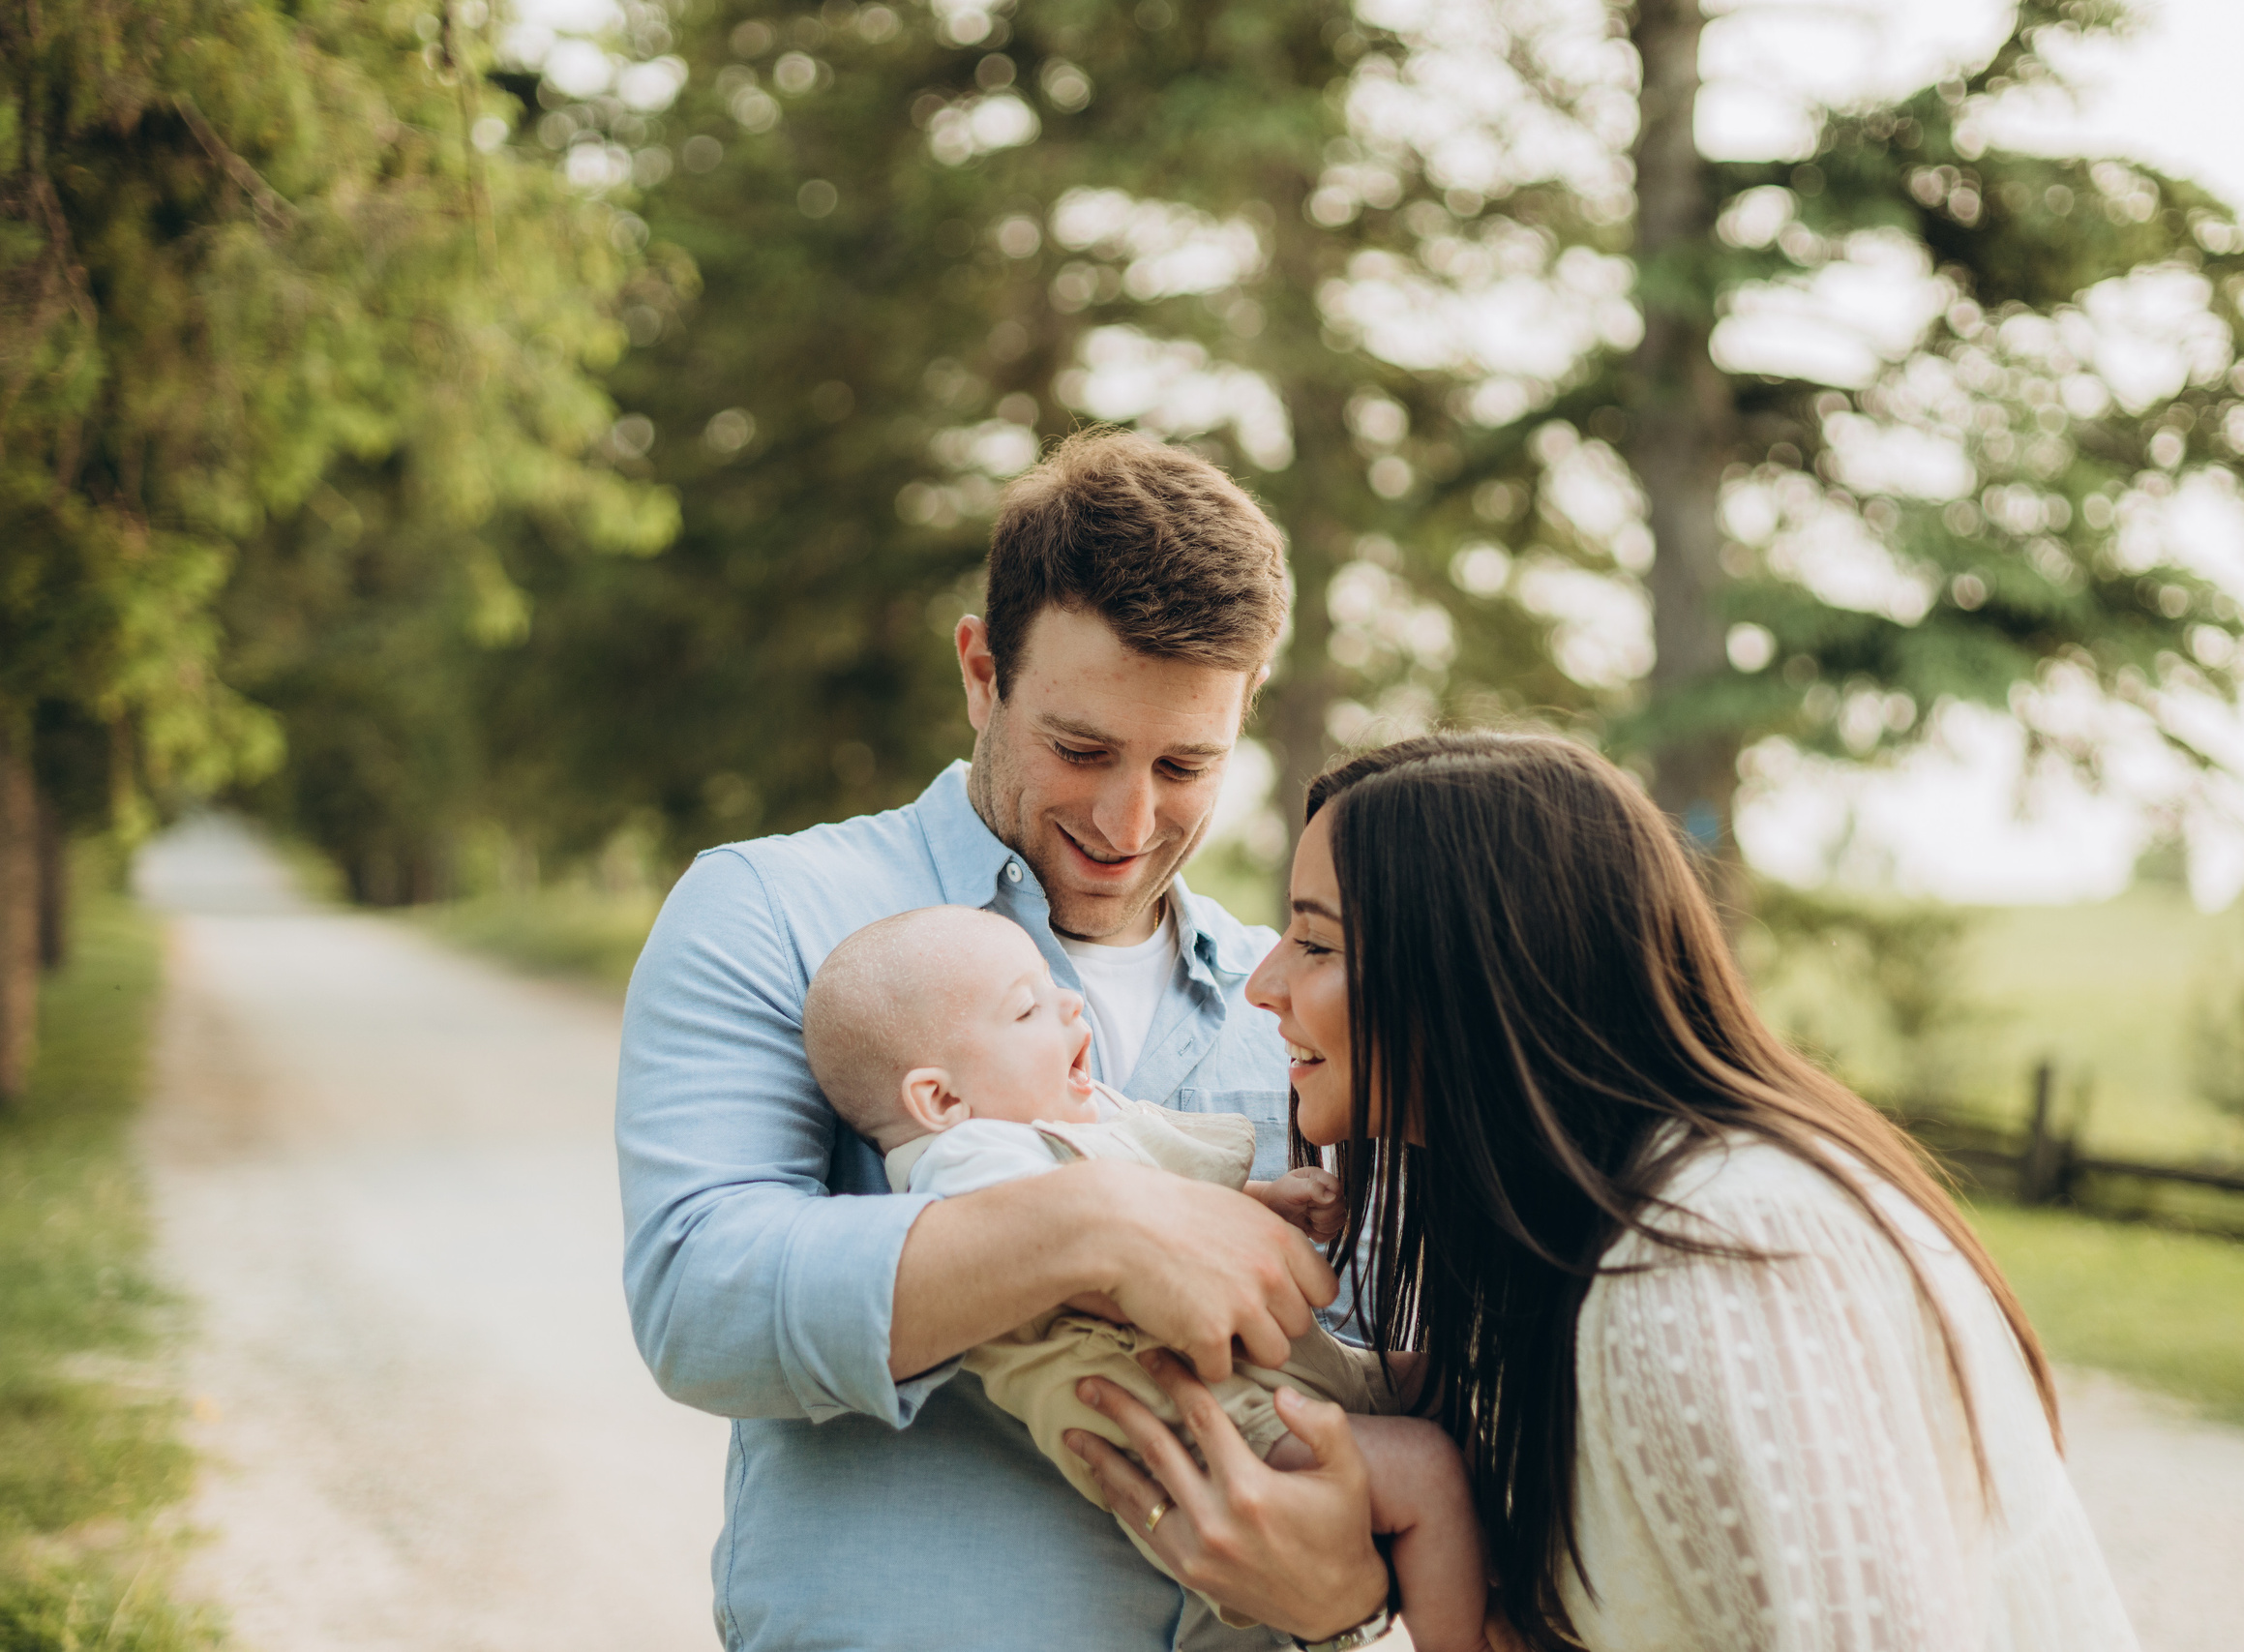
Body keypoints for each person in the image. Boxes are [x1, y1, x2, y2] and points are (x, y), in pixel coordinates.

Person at [1066, 732, 2143, 1652]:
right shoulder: (1564, 1261)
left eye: (1316, 941)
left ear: (1477, 971)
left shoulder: (1704, 1267)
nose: (1263, 984)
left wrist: (1345, 1610)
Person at [616, 429, 1359, 1652]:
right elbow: (703, 1301)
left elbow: (1354, 1352)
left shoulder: (1287, 999)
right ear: (980, 672)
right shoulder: (771, 912)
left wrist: (1351, 1591)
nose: (1128, 820)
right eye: (1080, 750)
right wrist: (1089, 1222)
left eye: (1184, 764)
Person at [800, 903, 1487, 1652]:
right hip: (1205, 1424)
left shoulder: (1071, 1119)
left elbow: (1171, 1205)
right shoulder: (968, 1159)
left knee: (1455, 1384)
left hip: (1272, 1377)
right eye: (1027, 1008)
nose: (1069, 1002)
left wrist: (1264, 1202)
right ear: (940, 1098)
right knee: (1428, 1473)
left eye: (1054, 986)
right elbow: (1093, 1256)